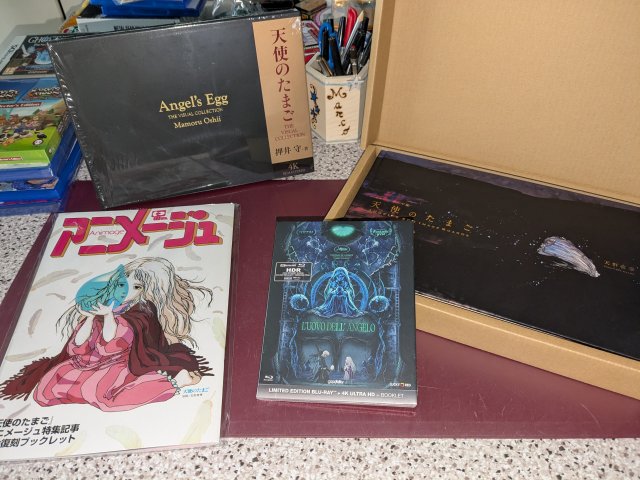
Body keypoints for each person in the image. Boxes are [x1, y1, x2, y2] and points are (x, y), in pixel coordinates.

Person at [0, 257, 212, 412]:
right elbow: (77, 348)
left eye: (136, 286)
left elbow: (111, 346)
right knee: (44, 392)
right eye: (123, 282)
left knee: (105, 399)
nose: (127, 290)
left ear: (145, 291)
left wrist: (108, 316)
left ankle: (174, 382)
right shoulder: (102, 305)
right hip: (86, 363)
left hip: (118, 366)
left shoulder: (142, 313)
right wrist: (90, 318)